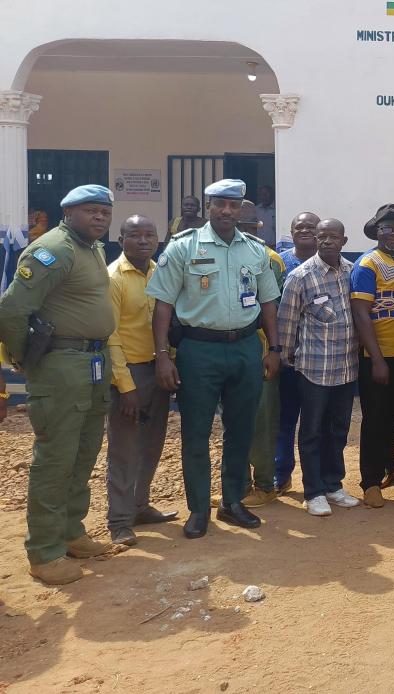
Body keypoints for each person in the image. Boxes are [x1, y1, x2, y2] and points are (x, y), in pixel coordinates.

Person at [146, 179, 282, 539]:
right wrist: (162, 356)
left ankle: (233, 501)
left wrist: (274, 349)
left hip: (245, 347)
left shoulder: (255, 250)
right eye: (219, 204)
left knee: (241, 429)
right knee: (196, 432)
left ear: (241, 209)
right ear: (209, 207)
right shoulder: (183, 246)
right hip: (198, 350)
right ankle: (198, 509)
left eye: (233, 205)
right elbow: (163, 305)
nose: (226, 210)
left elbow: (268, 302)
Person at [0, 185, 117, 585]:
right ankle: (45, 552)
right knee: (56, 458)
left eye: (105, 211)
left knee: (83, 453)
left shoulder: (91, 248)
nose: (99, 217)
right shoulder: (52, 250)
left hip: (93, 361)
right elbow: (12, 309)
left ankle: (71, 532)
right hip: (62, 364)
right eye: (90, 210)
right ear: (68, 212)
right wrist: (24, 357)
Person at [277, 219, 360, 516]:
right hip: (314, 368)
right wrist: (285, 358)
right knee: (311, 431)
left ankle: (333, 485)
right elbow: (287, 322)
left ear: (344, 241)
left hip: (346, 367)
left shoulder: (353, 272)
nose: (326, 241)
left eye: (333, 236)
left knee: (338, 429)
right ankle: (313, 492)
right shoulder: (300, 276)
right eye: (321, 236)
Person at [104, 215, 177, 547]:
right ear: (121, 240)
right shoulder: (113, 279)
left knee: (152, 443)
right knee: (124, 449)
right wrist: (125, 387)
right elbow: (111, 337)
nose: (144, 241)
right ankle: (119, 521)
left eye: (150, 235)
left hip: (158, 370)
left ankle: (140, 506)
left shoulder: (161, 273)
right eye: (135, 235)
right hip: (129, 373)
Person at [352, 203, 394, 506]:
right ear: (377, 231)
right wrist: (376, 359)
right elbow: (361, 314)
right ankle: (371, 481)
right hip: (380, 357)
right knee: (378, 419)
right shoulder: (368, 264)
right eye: (387, 227)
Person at [234, 200, 287, 508]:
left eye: (248, 228)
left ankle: (265, 484)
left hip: (260, 348)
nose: (244, 233)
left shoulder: (270, 259)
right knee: (234, 419)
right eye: (239, 227)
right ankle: (239, 485)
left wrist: (273, 350)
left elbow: (272, 311)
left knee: (262, 421)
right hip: (228, 350)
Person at [273, 211, 319, 492]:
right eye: (298, 227)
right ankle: (281, 473)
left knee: (316, 422)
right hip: (287, 356)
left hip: (319, 358)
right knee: (285, 418)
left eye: (310, 226)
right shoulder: (280, 264)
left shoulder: (331, 263)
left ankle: (317, 479)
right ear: (291, 232)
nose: (304, 230)